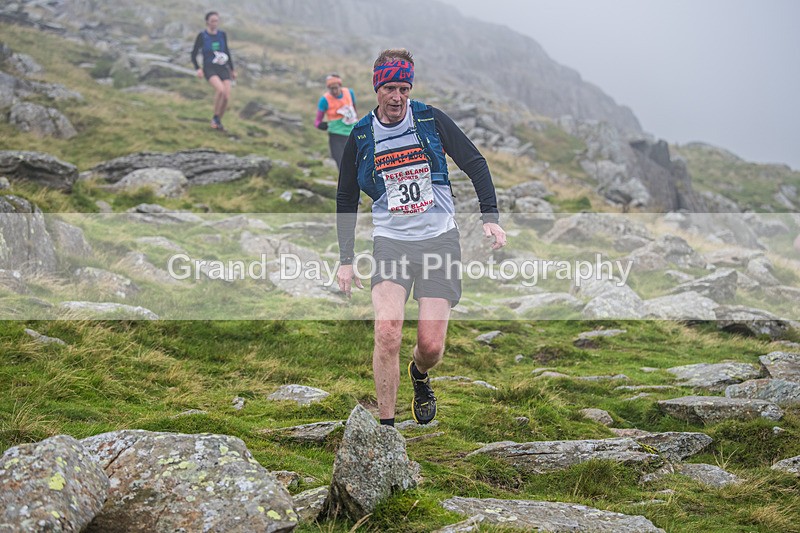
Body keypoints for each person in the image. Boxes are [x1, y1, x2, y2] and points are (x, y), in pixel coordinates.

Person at [336, 48, 506, 427]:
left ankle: (419, 374)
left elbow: (475, 162)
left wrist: (489, 217)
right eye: (390, 88)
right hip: (391, 243)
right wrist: (345, 259)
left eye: (404, 89)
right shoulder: (362, 134)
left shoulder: (429, 119)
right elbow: (346, 196)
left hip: (438, 242)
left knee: (431, 347)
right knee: (387, 329)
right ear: (377, 88)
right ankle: (386, 429)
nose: (397, 97)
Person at [191, 11, 236, 131]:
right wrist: (198, 68)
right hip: (209, 68)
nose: (215, 23)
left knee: (226, 96)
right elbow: (194, 54)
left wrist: (232, 69)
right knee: (220, 90)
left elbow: (227, 51)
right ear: (207, 22)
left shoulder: (222, 35)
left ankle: (217, 121)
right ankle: (215, 118)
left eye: (217, 21)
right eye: (212, 21)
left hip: (223, 67)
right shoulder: (202, 36)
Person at [315, 74, 358, 170]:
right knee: (342, 164)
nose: (334, 91)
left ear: (340, 85)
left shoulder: (349, 93)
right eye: (331, 89)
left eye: (336, 88)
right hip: (336, 135)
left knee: (356, 163)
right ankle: (345, 185)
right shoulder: (324, 100)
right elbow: (317, 121)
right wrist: (321, 125)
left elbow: (354, 110)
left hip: (351, 133)